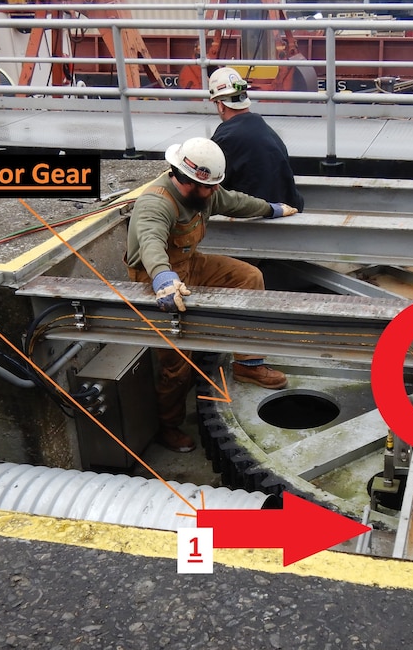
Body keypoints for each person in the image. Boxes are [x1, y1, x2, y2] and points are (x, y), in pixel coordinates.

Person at [124, 137, 298, 453]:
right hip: (154, 277)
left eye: (214, 186)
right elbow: (150, 242)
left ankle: (248, 362)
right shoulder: (157, 203)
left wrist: (272, 209)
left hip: (191, 264)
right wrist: (164, 278)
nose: (212, 193)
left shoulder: (206, 194)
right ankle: (168, 425)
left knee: (249, 276)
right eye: (205, 187)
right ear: (183, 178)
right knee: (177, 364)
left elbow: (236, 201)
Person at [208, 67, 305, 211]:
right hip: (285, 210)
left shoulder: (224, 140)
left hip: (254, 218)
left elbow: (208, 187)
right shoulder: (268, 132)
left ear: (221, 105)